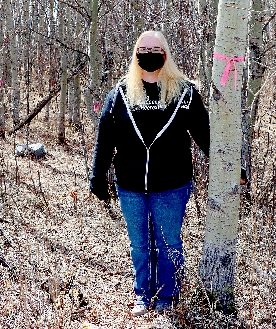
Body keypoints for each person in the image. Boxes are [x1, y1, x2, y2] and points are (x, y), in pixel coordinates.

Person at [90, 30, 210, 316]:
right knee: (139, 244)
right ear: (135, 54)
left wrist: (231, 167)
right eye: (143, 49)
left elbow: (206, 136)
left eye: (155, 49)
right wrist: (98, 176)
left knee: (170, 242)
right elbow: (105, 138)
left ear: (165, 54)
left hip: (171, 185)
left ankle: (168, 296)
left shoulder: (185, 93)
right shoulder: (120, 93)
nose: (149, 54)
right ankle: (143, 293)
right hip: (130, 186)